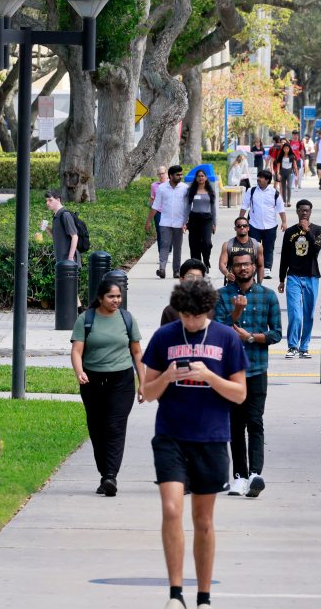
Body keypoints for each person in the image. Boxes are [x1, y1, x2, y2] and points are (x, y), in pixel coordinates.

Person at [141, 279, 248, 609]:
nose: (190, 322)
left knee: (203, 520)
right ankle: (175, 594)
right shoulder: (164, 337)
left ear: (208, 311)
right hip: (171, 435)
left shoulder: (226, 338)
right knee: (172, 509)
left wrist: (210, 377)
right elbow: (147, 392)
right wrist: (167, 377)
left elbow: (240, 394)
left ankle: (203, 596)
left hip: (211, 436)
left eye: (196, 316)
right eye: (185, 316)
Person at [216, 252, 283, 497]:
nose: (243, 268)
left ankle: (255, 474)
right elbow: (217, 329)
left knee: (255, 422)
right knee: (235, 425)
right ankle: (239, 476)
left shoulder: (268, 296)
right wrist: (235, 313)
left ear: (255, 267)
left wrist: (251, 337)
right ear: (231, 269)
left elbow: (276, 334)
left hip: (256, 369)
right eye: (238, 265)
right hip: (231, 372)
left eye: (247, 264)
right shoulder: (222, 295)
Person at [70, 279, 144, 497]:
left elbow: (137, 353)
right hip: (92, 381)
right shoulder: (86, 319)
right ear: (100, 297)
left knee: (115, 427)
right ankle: (105, 475)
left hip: (121, 380)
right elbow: (76, 351)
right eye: (111, 296)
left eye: (118, 296)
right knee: (97, 428)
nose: (116, 300)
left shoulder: (127, 319)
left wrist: (143, 382)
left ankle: (111, 475)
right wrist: (79, 371)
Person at [278, 200, 321, 359]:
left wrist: (307, 231)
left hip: (312, 276)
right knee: (295, 314)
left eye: (307, 210)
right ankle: (292, 346)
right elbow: (284, 256)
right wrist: (281, 279)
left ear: (310, 212)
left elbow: (316, 249)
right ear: (297, 212)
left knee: (308, 314)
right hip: (293, 277)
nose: (304, 213)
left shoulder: (318, 230)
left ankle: (304, 347)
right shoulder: (290, 232)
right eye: (302, 210)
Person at [239, 169, 287, 279]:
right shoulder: (251, 191)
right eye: (258, 177)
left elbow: (281, 208)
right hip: (254, 225)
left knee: (268, 247)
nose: (258, 179)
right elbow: (244, 206)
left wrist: (284, 222)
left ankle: (267, 269)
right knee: (253, 247)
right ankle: (253, 267)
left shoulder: (274, 193)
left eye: (261, 177)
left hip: (270, 225)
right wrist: (241, 220)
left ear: (267, 180)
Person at [147, 165, 188, 279]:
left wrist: (186, 222)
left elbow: (188, 206)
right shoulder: (162, 188)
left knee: (177, 247)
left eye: (181, 174)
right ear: (170, 176)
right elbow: (156, 205)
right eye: (177, 175)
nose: (180, 176)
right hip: (165, 222)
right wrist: (149, 221)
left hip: (179, 223)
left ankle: (176, 271)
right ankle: (162, 269)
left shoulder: (185, 188)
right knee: (164, 245)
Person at [185, 168, 217, 268]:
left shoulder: (210, 191)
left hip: (207, 219)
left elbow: (213, 208)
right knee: (194, 244)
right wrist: (185, 221)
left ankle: (206, 261)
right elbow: (187, 207)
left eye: (202, 176)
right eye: (199, 176)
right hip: (194, 218)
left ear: (206, 178)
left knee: (207, 243)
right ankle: (197, 265)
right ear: (196, 178)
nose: (200, 178)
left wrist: (214, 223)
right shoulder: (191, 190)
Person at [161, 259, 207, 325]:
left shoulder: (209, 310)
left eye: (199, 277)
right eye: (190, 276)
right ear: (181, 279)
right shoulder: (170, 311)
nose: (194, 280)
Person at [219, 217, 264, 284]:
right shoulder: (227, 245)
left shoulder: (257, 245)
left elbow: (260, 266)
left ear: (248, 228)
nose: (242, 228)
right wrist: (227, 274)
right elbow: (222, 264)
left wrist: (259, 285)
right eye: (239, 226)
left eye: (245, 226)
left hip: (250, 284)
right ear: (235, 228)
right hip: (233, 284)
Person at [45, 189, 79, 266]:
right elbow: (55, 236)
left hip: (69, 262)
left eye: (50, 200)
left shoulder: (65, 215)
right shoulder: (56, 216)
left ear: (58, 200)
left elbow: (74, 236)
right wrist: (46, 228)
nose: (47, 203)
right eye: (46, 201)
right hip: (61, 261)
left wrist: (70, 258)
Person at [150, 166, 169, 246]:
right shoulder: (154, 185)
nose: (161, 175)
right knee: (160, 232)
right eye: (159, 174)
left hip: (169, 212)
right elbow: (151, 202)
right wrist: (151, 201)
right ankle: (161, 255)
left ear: (166, 174)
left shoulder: (171, 184)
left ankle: (169, 251)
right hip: (158, 212)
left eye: (163, 173)